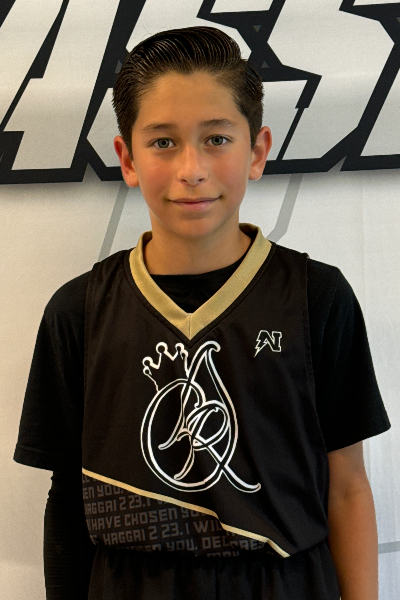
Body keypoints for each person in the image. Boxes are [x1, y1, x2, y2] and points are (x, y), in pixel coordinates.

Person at [14, 26, 390, 600]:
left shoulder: (317, 298)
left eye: (216, 138)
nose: (192, 168)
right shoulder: (78, 313)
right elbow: (67, 498)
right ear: (128, 158)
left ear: (256, 151)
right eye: (163, 142)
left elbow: (346, 489)